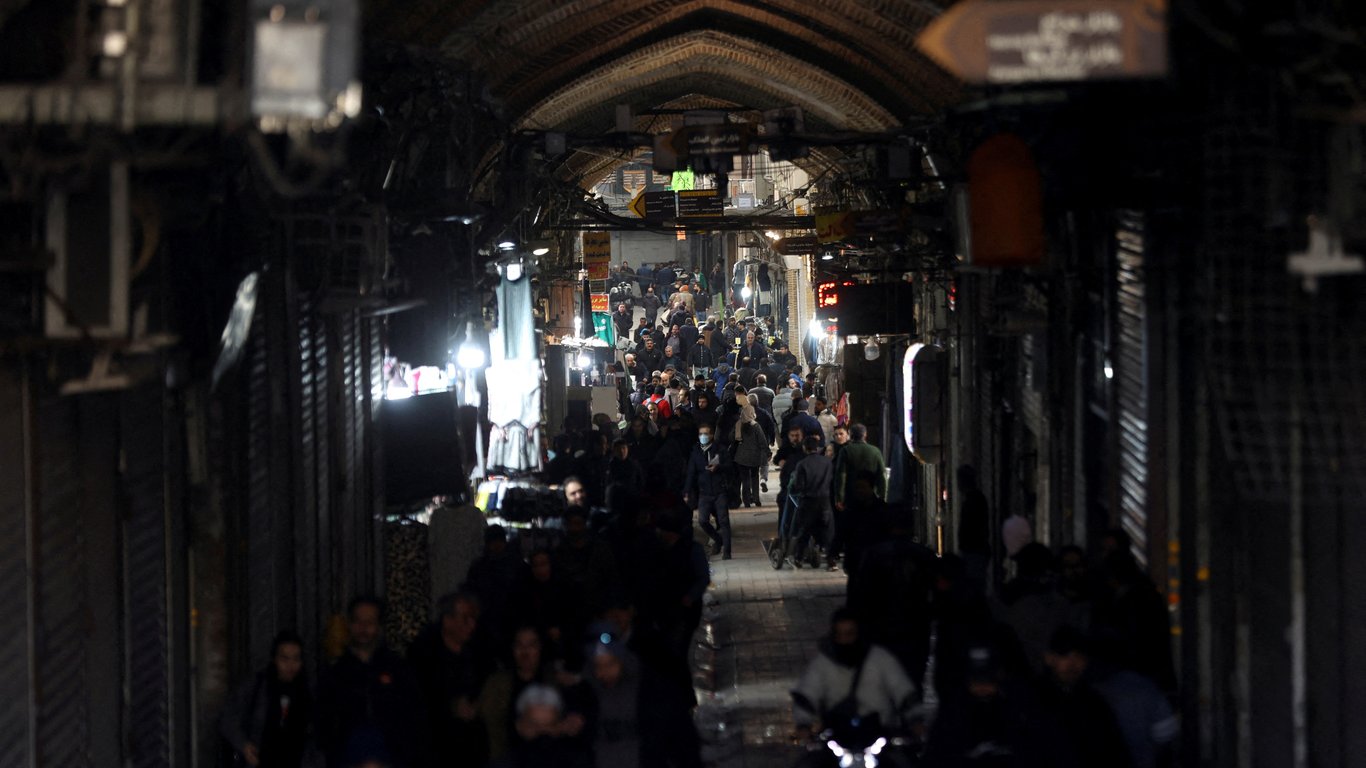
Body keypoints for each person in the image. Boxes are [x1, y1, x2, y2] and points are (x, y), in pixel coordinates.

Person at [315, 597, 429, 768]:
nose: (363, 628)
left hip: (391, 755)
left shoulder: (398, 669)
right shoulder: (336, 674)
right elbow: (324, 723)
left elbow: (414, 717)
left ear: (379, 626)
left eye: (369, 622)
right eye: (358, 621)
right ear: (350, 624)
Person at [791, 608, 920, 739]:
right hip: (837, 732)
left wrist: (916, 719)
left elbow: (902, 689)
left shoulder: (880, 658)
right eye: (839, 635)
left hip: (879, 732)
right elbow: (808, 693)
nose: (844, 640)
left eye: (849, 634)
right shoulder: (823, 662)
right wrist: (803, 724)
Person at [583, 634, 702, 768]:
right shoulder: (586, 694)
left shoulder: (652, 690)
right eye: (598, 666)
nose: (603, 672)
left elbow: (680, 737)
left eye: (610, 664)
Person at [407, 590, 492, 768]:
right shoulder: (423, 655)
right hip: (435, 745)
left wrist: (479, 705)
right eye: (465, 619)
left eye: (474, 619)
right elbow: (417, 700)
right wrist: (449, 707)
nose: (472, 625)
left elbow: (489, 686)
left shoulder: (480, 652)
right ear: (447, 620)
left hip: (473, 746)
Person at [219, 630, 314, 768]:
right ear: (274, 659)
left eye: (296, 659)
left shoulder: (306, 691)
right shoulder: (257, 686)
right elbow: (228, 718)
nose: (291, 665)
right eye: (285, 659)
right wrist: (244, 746)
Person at [488, 683, 592, 768]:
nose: (542, 733)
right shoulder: (501, 765)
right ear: (519, 726)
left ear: (560, 726)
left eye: (549, 726)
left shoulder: (578, 763)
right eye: (534, 726)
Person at [784, 436, 834, 569]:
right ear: (817, 448)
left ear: (804, 448)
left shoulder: (802, 464)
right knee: (826, 531)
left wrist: (794, 488)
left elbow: (798, 486)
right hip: (825, 501)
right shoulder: (827, 462)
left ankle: (799, 559)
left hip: (808, 502)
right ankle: (831, 561)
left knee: (804, 531)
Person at [683, 423, 732, 559]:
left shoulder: (720, 450)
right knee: (702, 520)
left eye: (705, 434)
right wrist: (686, 492)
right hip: (704, 492)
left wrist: (718, 468)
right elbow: (691, 473)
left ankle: (727, 551)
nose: (703, 436)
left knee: (723, 521)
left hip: (719, 490)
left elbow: (729, 466)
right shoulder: (696, 452)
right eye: (700, 434)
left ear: (711, 435)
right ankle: (718, 539)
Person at [832, 423, 884, 513]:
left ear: (850, 435)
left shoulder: (845, 451)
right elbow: (881, 476)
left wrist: (839, 498)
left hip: (851, 495)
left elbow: (841, 476)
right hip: (870, 495)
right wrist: (882, 496)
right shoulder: (875, 451)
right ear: (865, 435)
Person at [956, 465, 991, 587]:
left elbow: (973, 527)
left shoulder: (974, 500)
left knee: (974, 583)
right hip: (973, 551)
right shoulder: (974, 499)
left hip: (974, 551)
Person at [731, 404, 770, 508]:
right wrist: (767, 452)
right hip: (754, 456)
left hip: (741, 457)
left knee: (745, 480)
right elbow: (762, 441)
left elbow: (731, 437)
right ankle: (756, 499)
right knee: (754, 477)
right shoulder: (756, 426)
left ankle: (746, 501)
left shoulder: (738, 424)